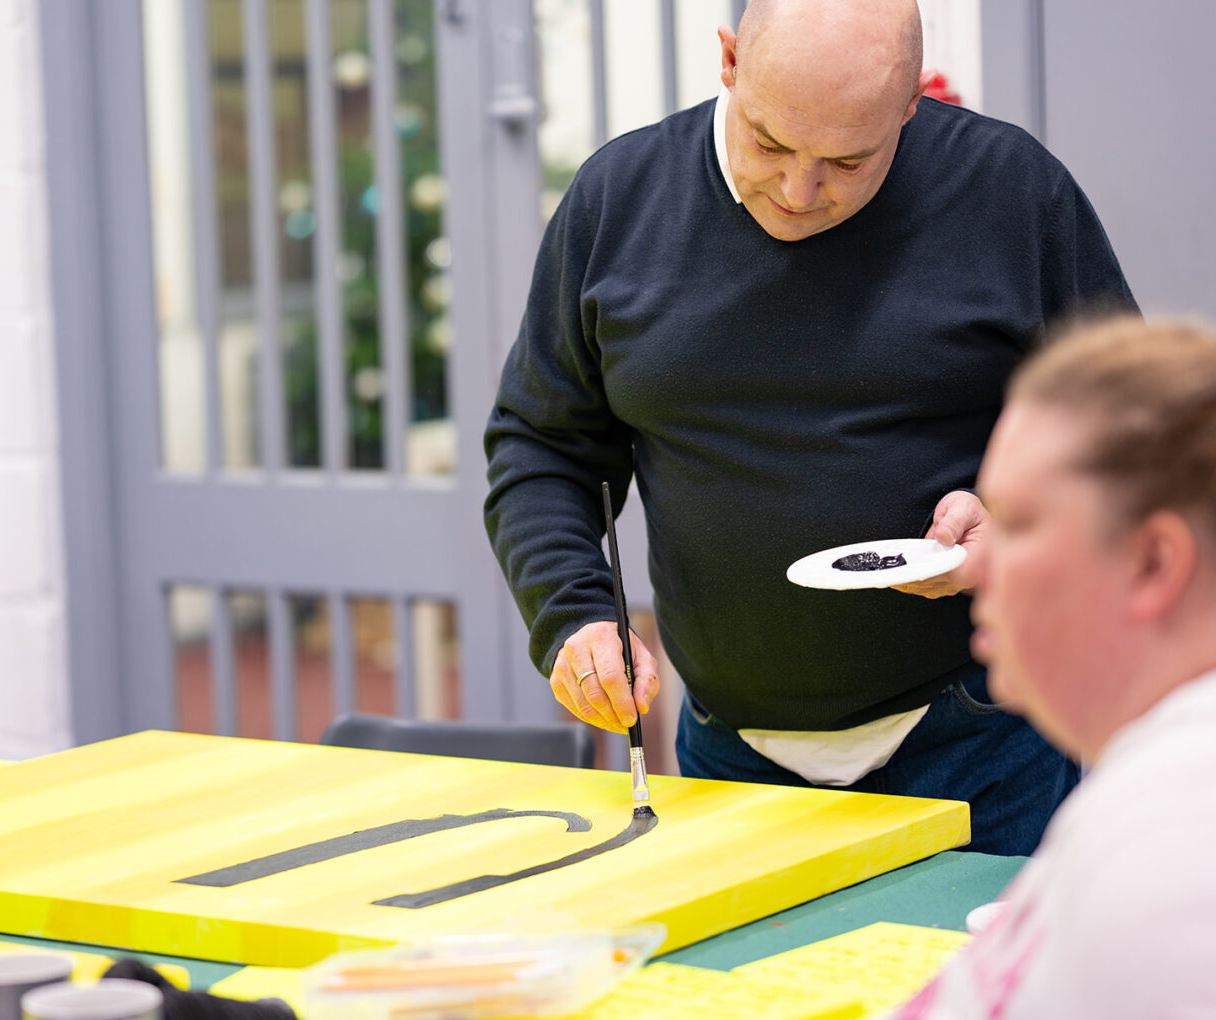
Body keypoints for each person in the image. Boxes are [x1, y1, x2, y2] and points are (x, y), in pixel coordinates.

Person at [483, 0, 1136, 855]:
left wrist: (1014, 527)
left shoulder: (1011, 193)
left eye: (848, 160)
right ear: (728, 63)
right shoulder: (619, 201)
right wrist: (571, 615)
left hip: (979, 739)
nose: (799, 192)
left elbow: (1129, 440)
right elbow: (541, 446)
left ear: (909, 104)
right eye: (769, 143)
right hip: (728, 750)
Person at [886, 316, 1216, 1018]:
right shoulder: (1169, 784)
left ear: (1152, 562)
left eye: (1018, 522)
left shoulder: (1209, 848)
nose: (975, 557)